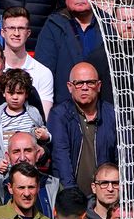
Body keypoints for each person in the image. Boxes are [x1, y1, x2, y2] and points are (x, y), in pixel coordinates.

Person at [47, 62, 116, 193]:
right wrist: (71, 192)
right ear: (70, 87)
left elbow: (122, 157)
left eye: (90, 82)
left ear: (99, 86)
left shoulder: (112, 115)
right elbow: (60, 157)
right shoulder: (59, 115)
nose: (85, 87)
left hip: (107, 194)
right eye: (79, 83)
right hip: (70, 194)